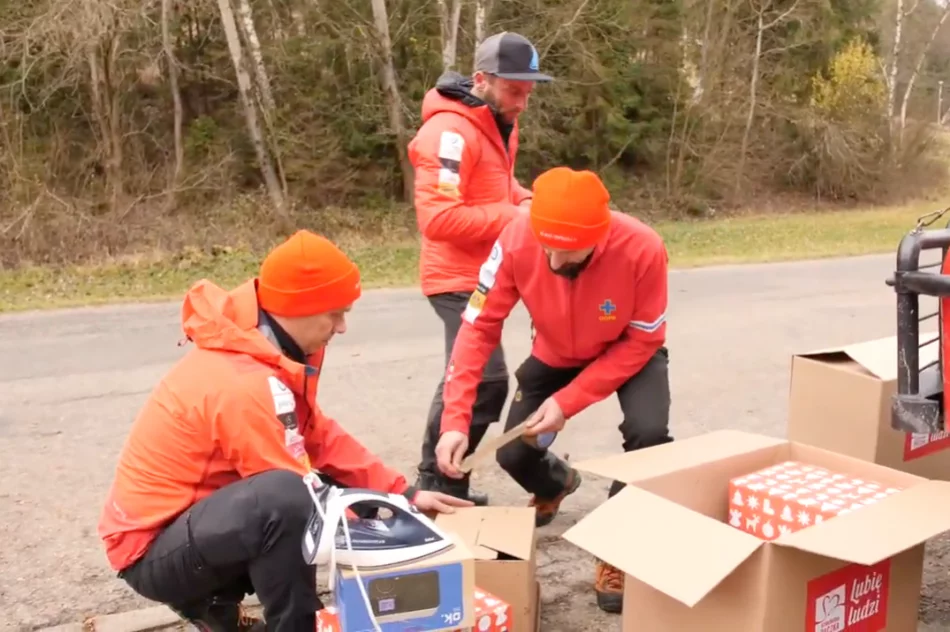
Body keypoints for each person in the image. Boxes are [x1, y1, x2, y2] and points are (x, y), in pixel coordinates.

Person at [97, 230, 472, 632]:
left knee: (302, 496)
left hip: (195, 523)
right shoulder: (243, 381)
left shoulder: (279, 346)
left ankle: (215, 609)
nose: (342, 327)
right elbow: (300, 502)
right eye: (335, 313)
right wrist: (391, 534)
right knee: (289, 503)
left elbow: (316, 433)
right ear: (298, 308)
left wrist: (402, 494)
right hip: (150, 552)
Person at [432, 167, 673, 614]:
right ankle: (557, 481)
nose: (556, 264)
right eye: (549, 249)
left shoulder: (643, 248)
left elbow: (644, 339)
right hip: (556, 351)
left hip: (629, 350)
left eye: (569, 253)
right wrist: (455, 420)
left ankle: (617, 549)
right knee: (514, 453)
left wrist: (568, 401)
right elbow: (477, 327)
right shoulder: (514, 240)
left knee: (649, 434)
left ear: (600, 236)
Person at [406, 31, 554, 506]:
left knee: (467, 375)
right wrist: (517, 217)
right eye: (514, 91)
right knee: (483, 379)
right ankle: (438, 482)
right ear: (481, 80)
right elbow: (439, 218)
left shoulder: (497, 122)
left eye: (528, 93)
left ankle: (446, 482)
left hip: (488, 272)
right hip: (454, 277)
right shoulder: (449, 134)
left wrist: (536, 203)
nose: (522, 104)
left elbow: (500, 188)